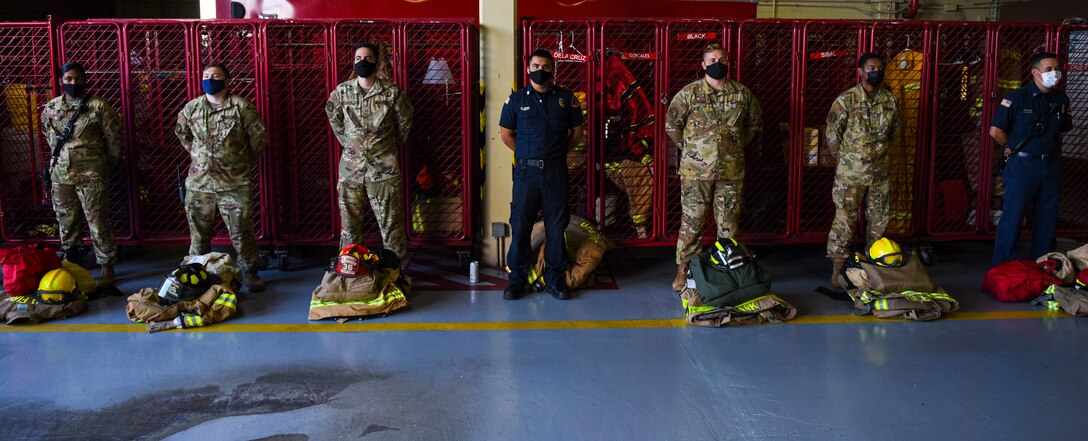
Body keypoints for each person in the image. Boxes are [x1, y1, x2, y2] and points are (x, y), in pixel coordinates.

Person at [665, 43, 761, 292]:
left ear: (729, 62)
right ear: (703, 65)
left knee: (728, 224)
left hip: (730, 171)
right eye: (712, 59)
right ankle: (684, 270)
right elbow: (672, 124)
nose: (717, 63)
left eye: (722, 58)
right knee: (692, 222)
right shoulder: (689, 93)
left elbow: (752, 126)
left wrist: (733, 149)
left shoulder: (742, 94)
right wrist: (692, 150)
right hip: (696, 172)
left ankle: (725, 270)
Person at [500, 48, 585, 300]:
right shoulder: (516, 100)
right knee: (521, 223)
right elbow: (506, 135)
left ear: (553, 69)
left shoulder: (566, 99)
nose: (541, 71)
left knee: (556, 226)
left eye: (546, 66)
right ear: (528, 69)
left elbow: (576, 133)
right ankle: (516, 279)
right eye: (536, 66)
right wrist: (527, 154)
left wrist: (555, 155)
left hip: (555, 171)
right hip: (526, 172)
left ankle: (554, 279)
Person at [175, 63, 267, 292]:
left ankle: (249, 272)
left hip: (234, 183)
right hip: (199, 184)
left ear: (227, 79)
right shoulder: (192, 108)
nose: (210, 79)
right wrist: (201, 156)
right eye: (206, 75)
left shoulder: (241, 107)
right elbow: (183, 134)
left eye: (216, 76)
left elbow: (258, 139)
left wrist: (237, 161)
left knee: (242, 232)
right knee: (198, 235)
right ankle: (197, 275)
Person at [326, 42, 413, 260]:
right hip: (350, 171)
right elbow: (333, 118)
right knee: (349, 228)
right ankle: (350, 272)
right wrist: (347, 142)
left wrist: (388, 147)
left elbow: (404, 123)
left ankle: (396, 274)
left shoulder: (392, 93)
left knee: (391, 227)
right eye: (357, 58)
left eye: (367, 58)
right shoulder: (342, 91)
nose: (362, 62)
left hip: (383, 171)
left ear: (377, 62)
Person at [41, 61, 122, 287]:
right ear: (60, 81)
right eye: (68, 80)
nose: (73, 83)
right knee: (67, 223)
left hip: (92, 175)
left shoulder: (98, 106)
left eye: (77, 79)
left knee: (98, 221)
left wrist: (104, 165)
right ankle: (73, 268)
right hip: (61, 176)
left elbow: (114, 139)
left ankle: (107, 269)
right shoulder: (51, 108)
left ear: (84, 80)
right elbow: (49, 138)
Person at [826, 52, 902, 288]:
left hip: (880, 174)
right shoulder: (846, 100)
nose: (875, 72)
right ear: (861, 71)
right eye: (870, 68)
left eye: (879, 68)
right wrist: (847, 160)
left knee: (878, 222)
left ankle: (875, 269)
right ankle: (839, 271)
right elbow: (832, 135)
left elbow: (894, 133)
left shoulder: (891, 101)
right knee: (844, 222)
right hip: (851, 175)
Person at [989, 52, 1072, 266]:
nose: (1054, 73)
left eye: (1056, 68)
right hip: (1023, 165)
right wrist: (1011, 147)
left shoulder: (1061, 99)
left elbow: (1062, 129)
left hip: (1050, 165)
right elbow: (996, 131)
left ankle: (1042, 264)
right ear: (1035, 73)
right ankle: (1003, 266)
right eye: (1048, 70)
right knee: (1014, 215)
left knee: (1046, 217)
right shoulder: (1016, 98)